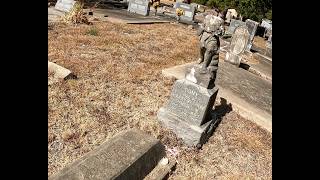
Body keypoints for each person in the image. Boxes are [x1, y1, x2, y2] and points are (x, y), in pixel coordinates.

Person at [197, 11, 225, 79]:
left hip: (213, 37)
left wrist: (217, 33)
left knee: (209, 50)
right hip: (205, 35)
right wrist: (199, 32)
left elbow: (222, 31)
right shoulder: (207, 17)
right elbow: (203, 25)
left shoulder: (221, 21)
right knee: (201, 47)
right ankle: (201, 58)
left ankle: (204, 66)